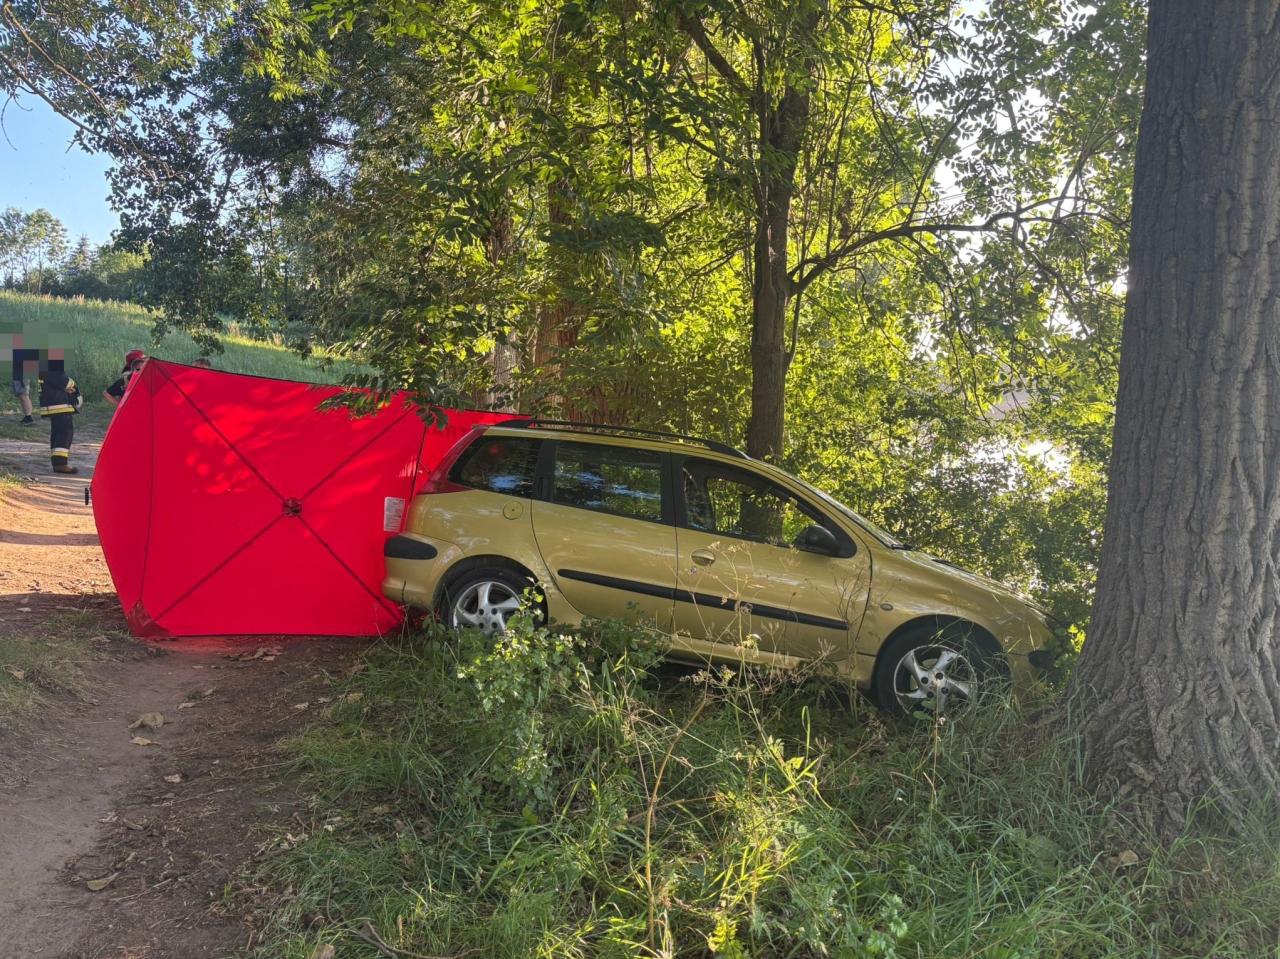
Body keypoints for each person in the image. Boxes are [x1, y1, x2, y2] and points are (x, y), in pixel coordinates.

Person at [38, 360, 83, 474]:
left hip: (54, 403)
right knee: (65, 432)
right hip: (59, 404)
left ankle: (58, 462)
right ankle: (61, 464)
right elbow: (64, 382)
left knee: (57, 433)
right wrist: (73, 385)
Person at [11, 344, 36, 425]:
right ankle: (27, 416)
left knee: (23, 395)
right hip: (17, 374)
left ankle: (29, 417)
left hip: (22, 375)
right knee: (21, 396)